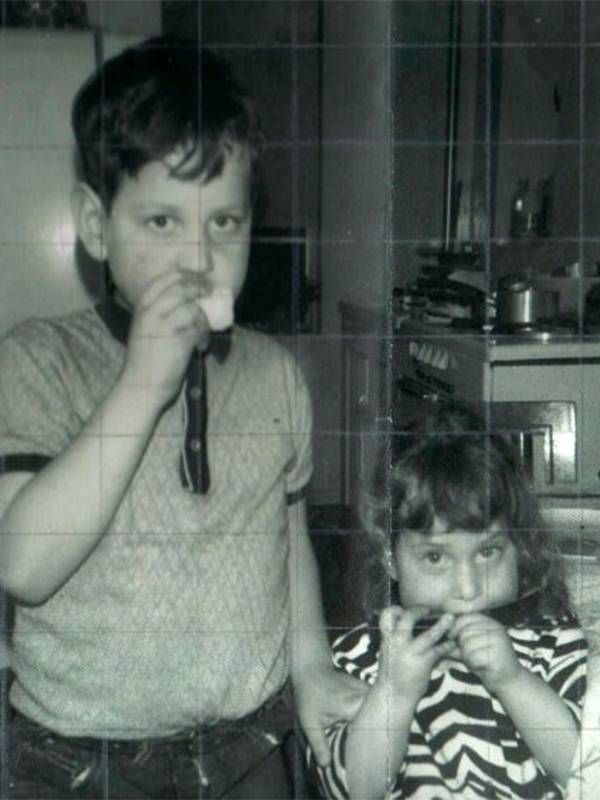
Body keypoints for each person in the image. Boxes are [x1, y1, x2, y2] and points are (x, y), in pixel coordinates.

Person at [0, 36, 364, 799]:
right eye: (161, 223)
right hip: (79, 763)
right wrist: (142, 383)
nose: (197, 257)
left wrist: (313, 668)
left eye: (224, 224)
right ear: (97, 227)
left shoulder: (274, 374)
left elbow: (286, 536)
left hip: (250, 749)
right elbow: (25, 568)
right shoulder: (42, 361)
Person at [308, 405, 588, 800]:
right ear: (391, 556)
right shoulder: (363, 655)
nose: (468, 589)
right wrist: (394, 691)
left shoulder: (554, 640)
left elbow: (589, 775)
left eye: (488, 552)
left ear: (519, 544)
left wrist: (514, 682)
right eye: (435, 557)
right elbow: (350, 789)